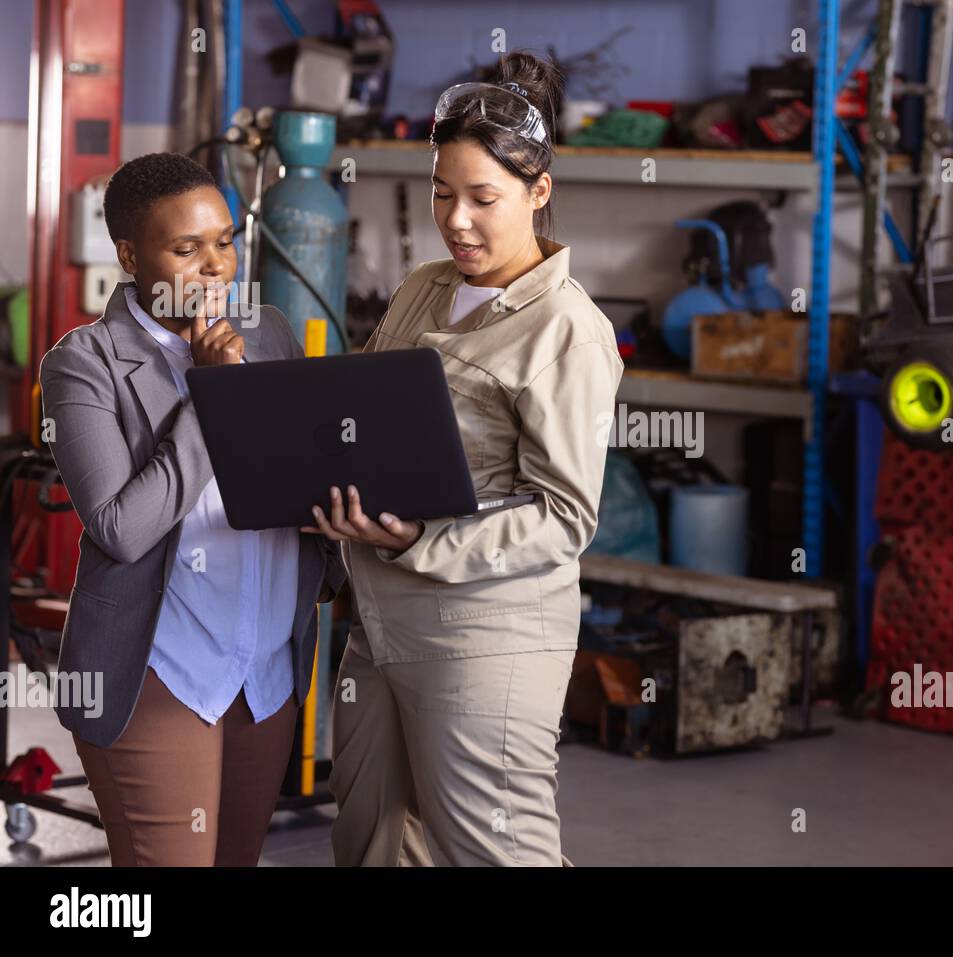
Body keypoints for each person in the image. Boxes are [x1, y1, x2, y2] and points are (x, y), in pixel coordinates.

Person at [310, 51, 623, 866]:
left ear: (539, 191)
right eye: (443, 194)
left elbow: (563, 520)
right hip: (378, 622)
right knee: (372, 837)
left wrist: (421, 541)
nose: (457, 220)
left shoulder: (566, 330)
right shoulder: (425, 285)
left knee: (490, 848)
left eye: (484, 198)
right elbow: (371, 415)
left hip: (486, 631)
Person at [38, 152, 346, 866]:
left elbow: (303, 474)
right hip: (163, 665)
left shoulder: (266, 332)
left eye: (225, 240)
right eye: (185, 248)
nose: (215, 266)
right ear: (129, 254)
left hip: (264, 667)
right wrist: (212, 395)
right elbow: (121, 526)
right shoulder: (86, 362)